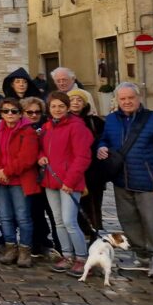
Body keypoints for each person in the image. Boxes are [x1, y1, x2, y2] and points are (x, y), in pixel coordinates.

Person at [39, 91, 94, 277]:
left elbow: (83, 156)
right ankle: (67, 254)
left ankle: (81, 257)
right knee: (58, 221)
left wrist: (70, 180)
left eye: (61, 106)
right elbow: (41, 148)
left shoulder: (76, 127)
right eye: (53, 106)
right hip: (51, 180)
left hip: (69, 181)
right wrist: (41, 157)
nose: (57, 110)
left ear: (67, 107)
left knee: (70, 221)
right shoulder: (47, 127)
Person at [0, 98, 38, 268]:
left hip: (19, 180)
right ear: (1, 113)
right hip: (0, 180)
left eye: (14, 111)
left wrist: (7, 171)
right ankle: (10, 247)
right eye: (6, 111)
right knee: (5, 217)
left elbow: (27, 157)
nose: (10, 114)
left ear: (20, 113)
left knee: (23, 217)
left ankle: (25, 250)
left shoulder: (27, 131)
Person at [20, 96, 59, 260]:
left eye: (37, 112)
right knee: (34, 212)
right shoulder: (19, 128)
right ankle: (37, 243)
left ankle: (60, 245)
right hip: (30, 176)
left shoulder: (47, 127)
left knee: (54, 214)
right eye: (30, 112)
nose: (34, 115)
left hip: (49, 176)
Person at [69, 88, 107, 242]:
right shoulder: (62, 120)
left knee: (93, 204)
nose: (76, 103)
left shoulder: (95, 121)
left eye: (79, 100)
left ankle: (94, 233)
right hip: (71, 169)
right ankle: (78, 235)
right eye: (72, 100)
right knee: (74, 206)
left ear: (85, 103)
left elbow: (103, 140)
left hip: (93, 171)